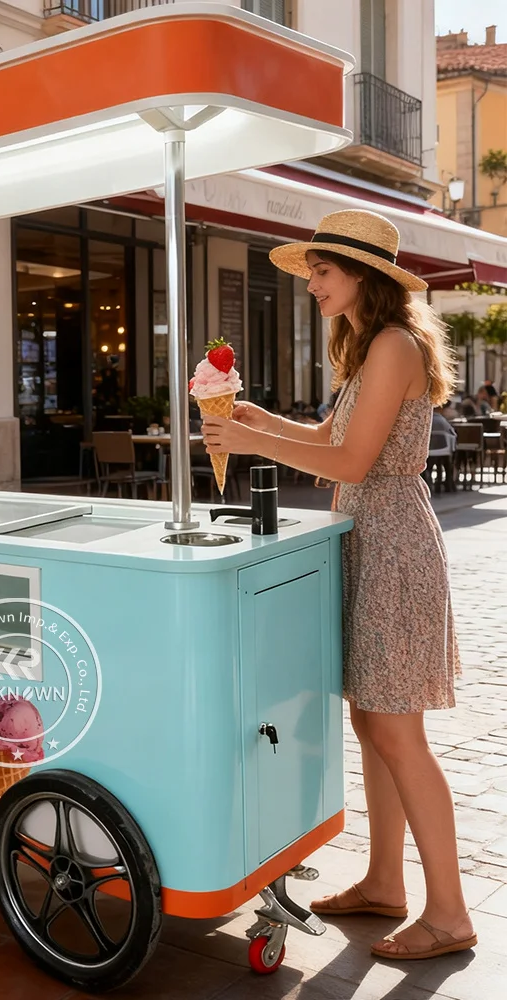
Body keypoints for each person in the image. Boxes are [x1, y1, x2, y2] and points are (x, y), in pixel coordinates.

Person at [201, 210, 476, 961]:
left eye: (322, 271)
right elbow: (331, 440)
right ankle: (386, 883)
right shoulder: (371, 346)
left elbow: (353, 462)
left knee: (396, 729)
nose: (312, 284)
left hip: (392, 545)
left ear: (364, 276)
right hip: (369, 539)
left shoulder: (393, 343)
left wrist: (253, 439)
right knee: (370, 722)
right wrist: (258, 418)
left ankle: (449, 913)